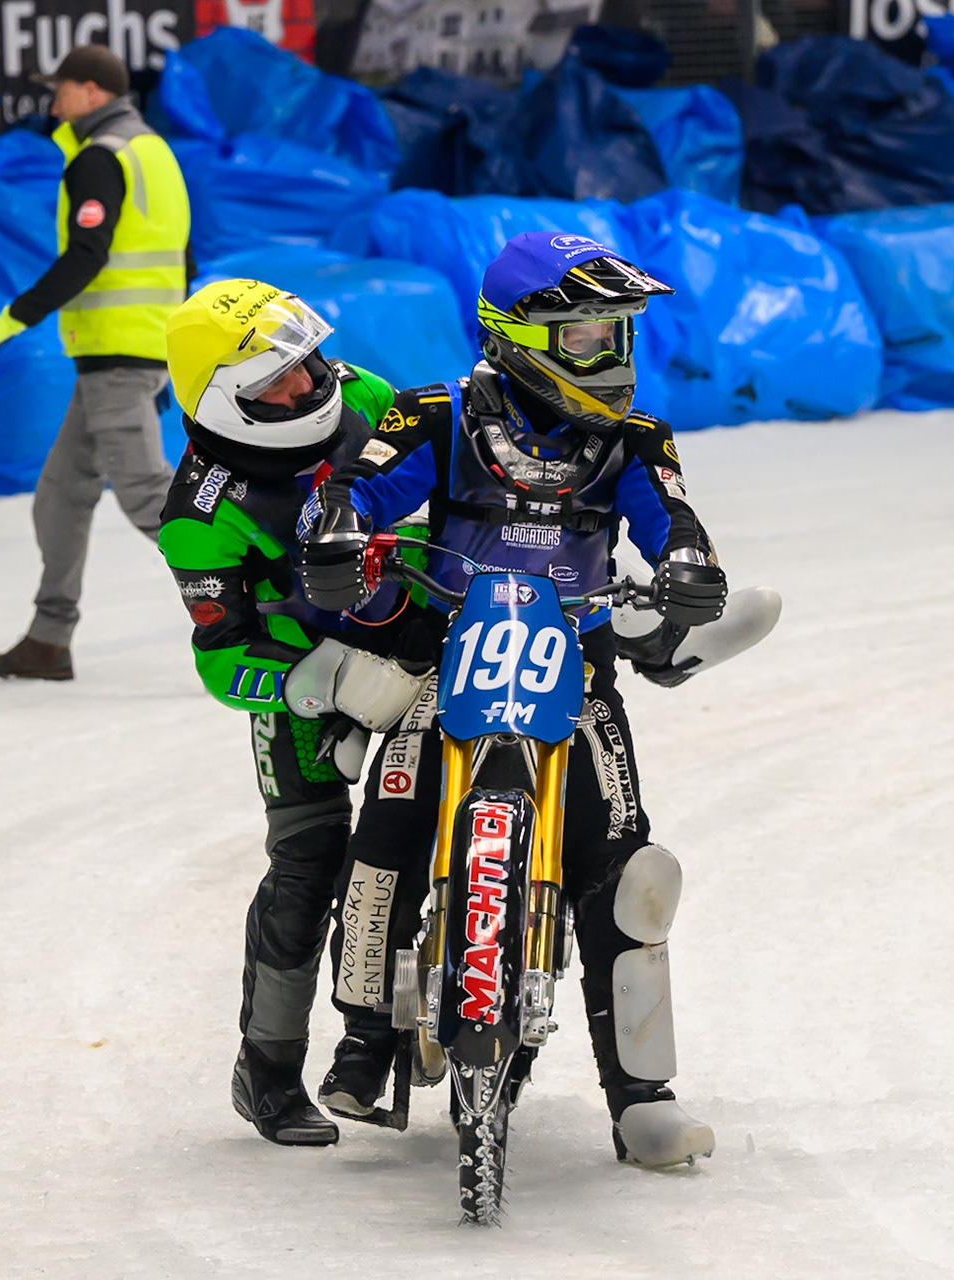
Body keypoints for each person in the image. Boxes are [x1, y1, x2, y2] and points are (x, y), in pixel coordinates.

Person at [301, 231, 728, 1168]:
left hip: (576, 660)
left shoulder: (637, 436)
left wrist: (689, 563)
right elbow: (358, 488)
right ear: (516, 335)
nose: (610, 357)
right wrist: (336, 534)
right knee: (387, 833)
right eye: (587, 338)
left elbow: (672, 518)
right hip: (446, 656)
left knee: (626, 869)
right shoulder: (436, 414)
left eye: (617, 335)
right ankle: (365, 1041)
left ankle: (640, 1098)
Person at [156, 277, 435, 1147]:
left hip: (427, 630)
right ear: (226, 401)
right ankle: (268, 1070)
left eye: (309, 361)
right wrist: (327, 679)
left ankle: (396, 1025)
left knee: (440, 812)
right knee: (310, 862)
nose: (310, 384)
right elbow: (222, 658)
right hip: (308, 675)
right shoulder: (197, 515)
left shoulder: (366, 395)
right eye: (279, 379)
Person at [0, 45, 190, 682]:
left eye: (62, 88)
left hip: (117, 351)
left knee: (148, 496)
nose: (55, 100)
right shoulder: (154, 151)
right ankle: (48, 638)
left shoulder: (100, 156)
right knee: (61, 495)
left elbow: (86, 254)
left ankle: (269, 602)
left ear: (93, 91)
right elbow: (186, 256)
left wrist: (15, 317)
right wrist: (165, 349)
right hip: (132, 350)